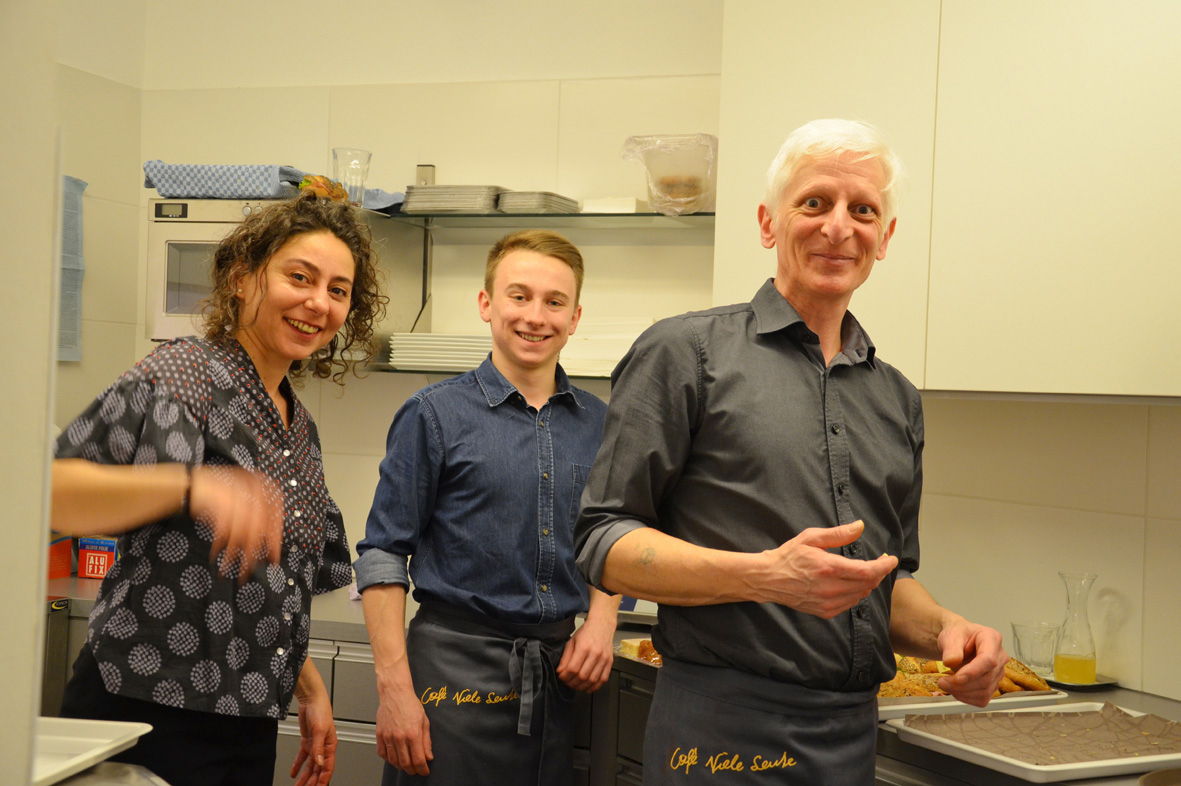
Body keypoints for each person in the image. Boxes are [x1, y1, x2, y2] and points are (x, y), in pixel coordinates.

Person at [574, 118, 1008, 785]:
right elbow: (603, 542)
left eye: (863, 210)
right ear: (767, 223)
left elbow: (883, 585)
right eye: (814, 202)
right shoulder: (685, 353)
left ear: (885, 237)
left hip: (850, 740)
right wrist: (763, 576)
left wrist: (949, 631)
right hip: (719, 732)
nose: (838, 227)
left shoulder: (896, 399)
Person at [51, 192, 386, 786]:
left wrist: (309, 688)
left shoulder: (298, 425)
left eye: (338, 290)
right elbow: (52, 491)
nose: (318, 302)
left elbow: (267, 590)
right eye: (299, 277)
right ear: (241, 278)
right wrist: (191, 486)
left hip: (247, 722)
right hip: (146, 707)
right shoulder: (184, 373)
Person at [355, 230, 620, 785]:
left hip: (557, 678)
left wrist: (601, 620)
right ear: (486, 304)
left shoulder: (600, 424)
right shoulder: (433, 414)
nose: (535, 316)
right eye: (518, 296)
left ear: (574, 317)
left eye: (554, 302)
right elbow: (383, 554)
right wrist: (395, 690)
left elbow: (614, 534)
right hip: (449, 675)